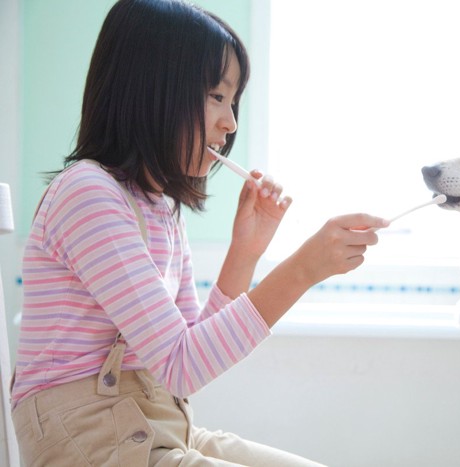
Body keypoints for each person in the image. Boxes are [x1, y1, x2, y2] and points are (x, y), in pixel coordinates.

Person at [10, 0, 388, 465]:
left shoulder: (161, 210)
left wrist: (244, 252)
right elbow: (182, 366)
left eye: (233, 101)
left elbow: (184, 361)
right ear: (152, 89)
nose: (230, 123)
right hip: (86, 440)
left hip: (151, 425)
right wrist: (304, 269)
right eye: (215, 96)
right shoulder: (87, 194)